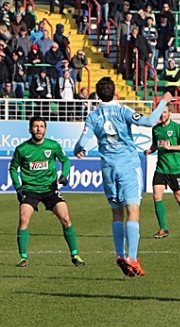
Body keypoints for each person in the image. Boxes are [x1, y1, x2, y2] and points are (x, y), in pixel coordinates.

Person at [73, 77, 172, 277]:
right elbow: (149, 121)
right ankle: (132, 258)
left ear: (98, 95)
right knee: (133, 211)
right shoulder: (122, 111)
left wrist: (78, 150)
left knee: (117, 214)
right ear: (115, 92)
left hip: (108, 168)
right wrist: (163, 101)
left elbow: (82, 141)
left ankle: (119, 254)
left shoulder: (93, 116)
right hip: (128, 166)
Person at [8, 116, 84, 268]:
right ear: (30, 129)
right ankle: (23, 258)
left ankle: (75, 255)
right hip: (30, 190)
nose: (38, 129)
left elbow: (66, 160)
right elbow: (13, 168)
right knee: (23, 220)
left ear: (45, 129)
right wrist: (18, 187)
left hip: (50, 189)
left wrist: (64, 175)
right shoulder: (22, 149)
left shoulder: (53, 146)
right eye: (35, 126)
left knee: (66, 218)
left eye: (41, 126)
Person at [145, 103, 180, 239]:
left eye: (165, 112)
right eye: (161, 112)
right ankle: (163, 229)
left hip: (175, 168)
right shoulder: (156, 129)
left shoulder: (177, 128)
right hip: (161, 168)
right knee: (156, 196)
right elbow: (155, 145)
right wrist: (150, 150)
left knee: (179, 198)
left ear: (170, 113)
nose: (162, 115)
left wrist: (171, 147)